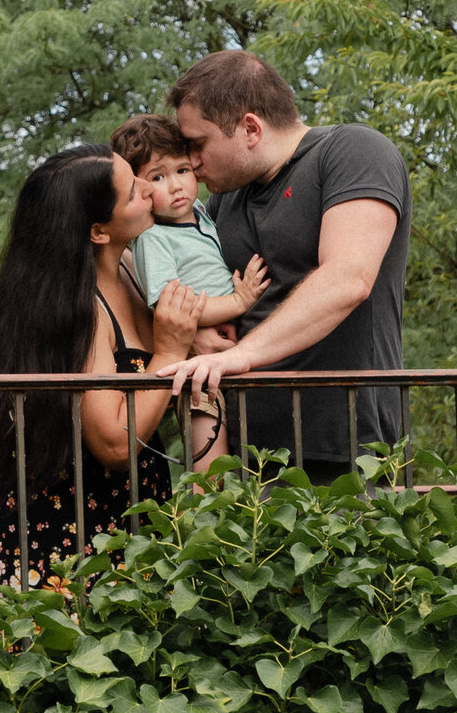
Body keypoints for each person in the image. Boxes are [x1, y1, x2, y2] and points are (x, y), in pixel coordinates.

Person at [155, 50, 410, 483]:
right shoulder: (224, 200)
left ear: (251, 128)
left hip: (349, 451)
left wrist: (240, 356)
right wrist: (195, 329)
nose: (191, 164)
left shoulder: (354, 152)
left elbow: (348, 278)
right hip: (242, 455)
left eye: (198, 145)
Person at [0, 143, 199, 589]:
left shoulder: (134, 270)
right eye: (133, 192)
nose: (150, 191)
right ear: (98, 231)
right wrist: (169, 355)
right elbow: (114, 443)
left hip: (122, 521)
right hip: (63, 536)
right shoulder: (79, 310)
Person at [107, 113, 268, 336]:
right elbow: (172, 309)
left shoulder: (199, 210)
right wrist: (239, 301)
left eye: (182, 171)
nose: (176, 186)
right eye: (157, 178)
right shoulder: (152, 238)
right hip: (208, 338)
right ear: (138, 186)